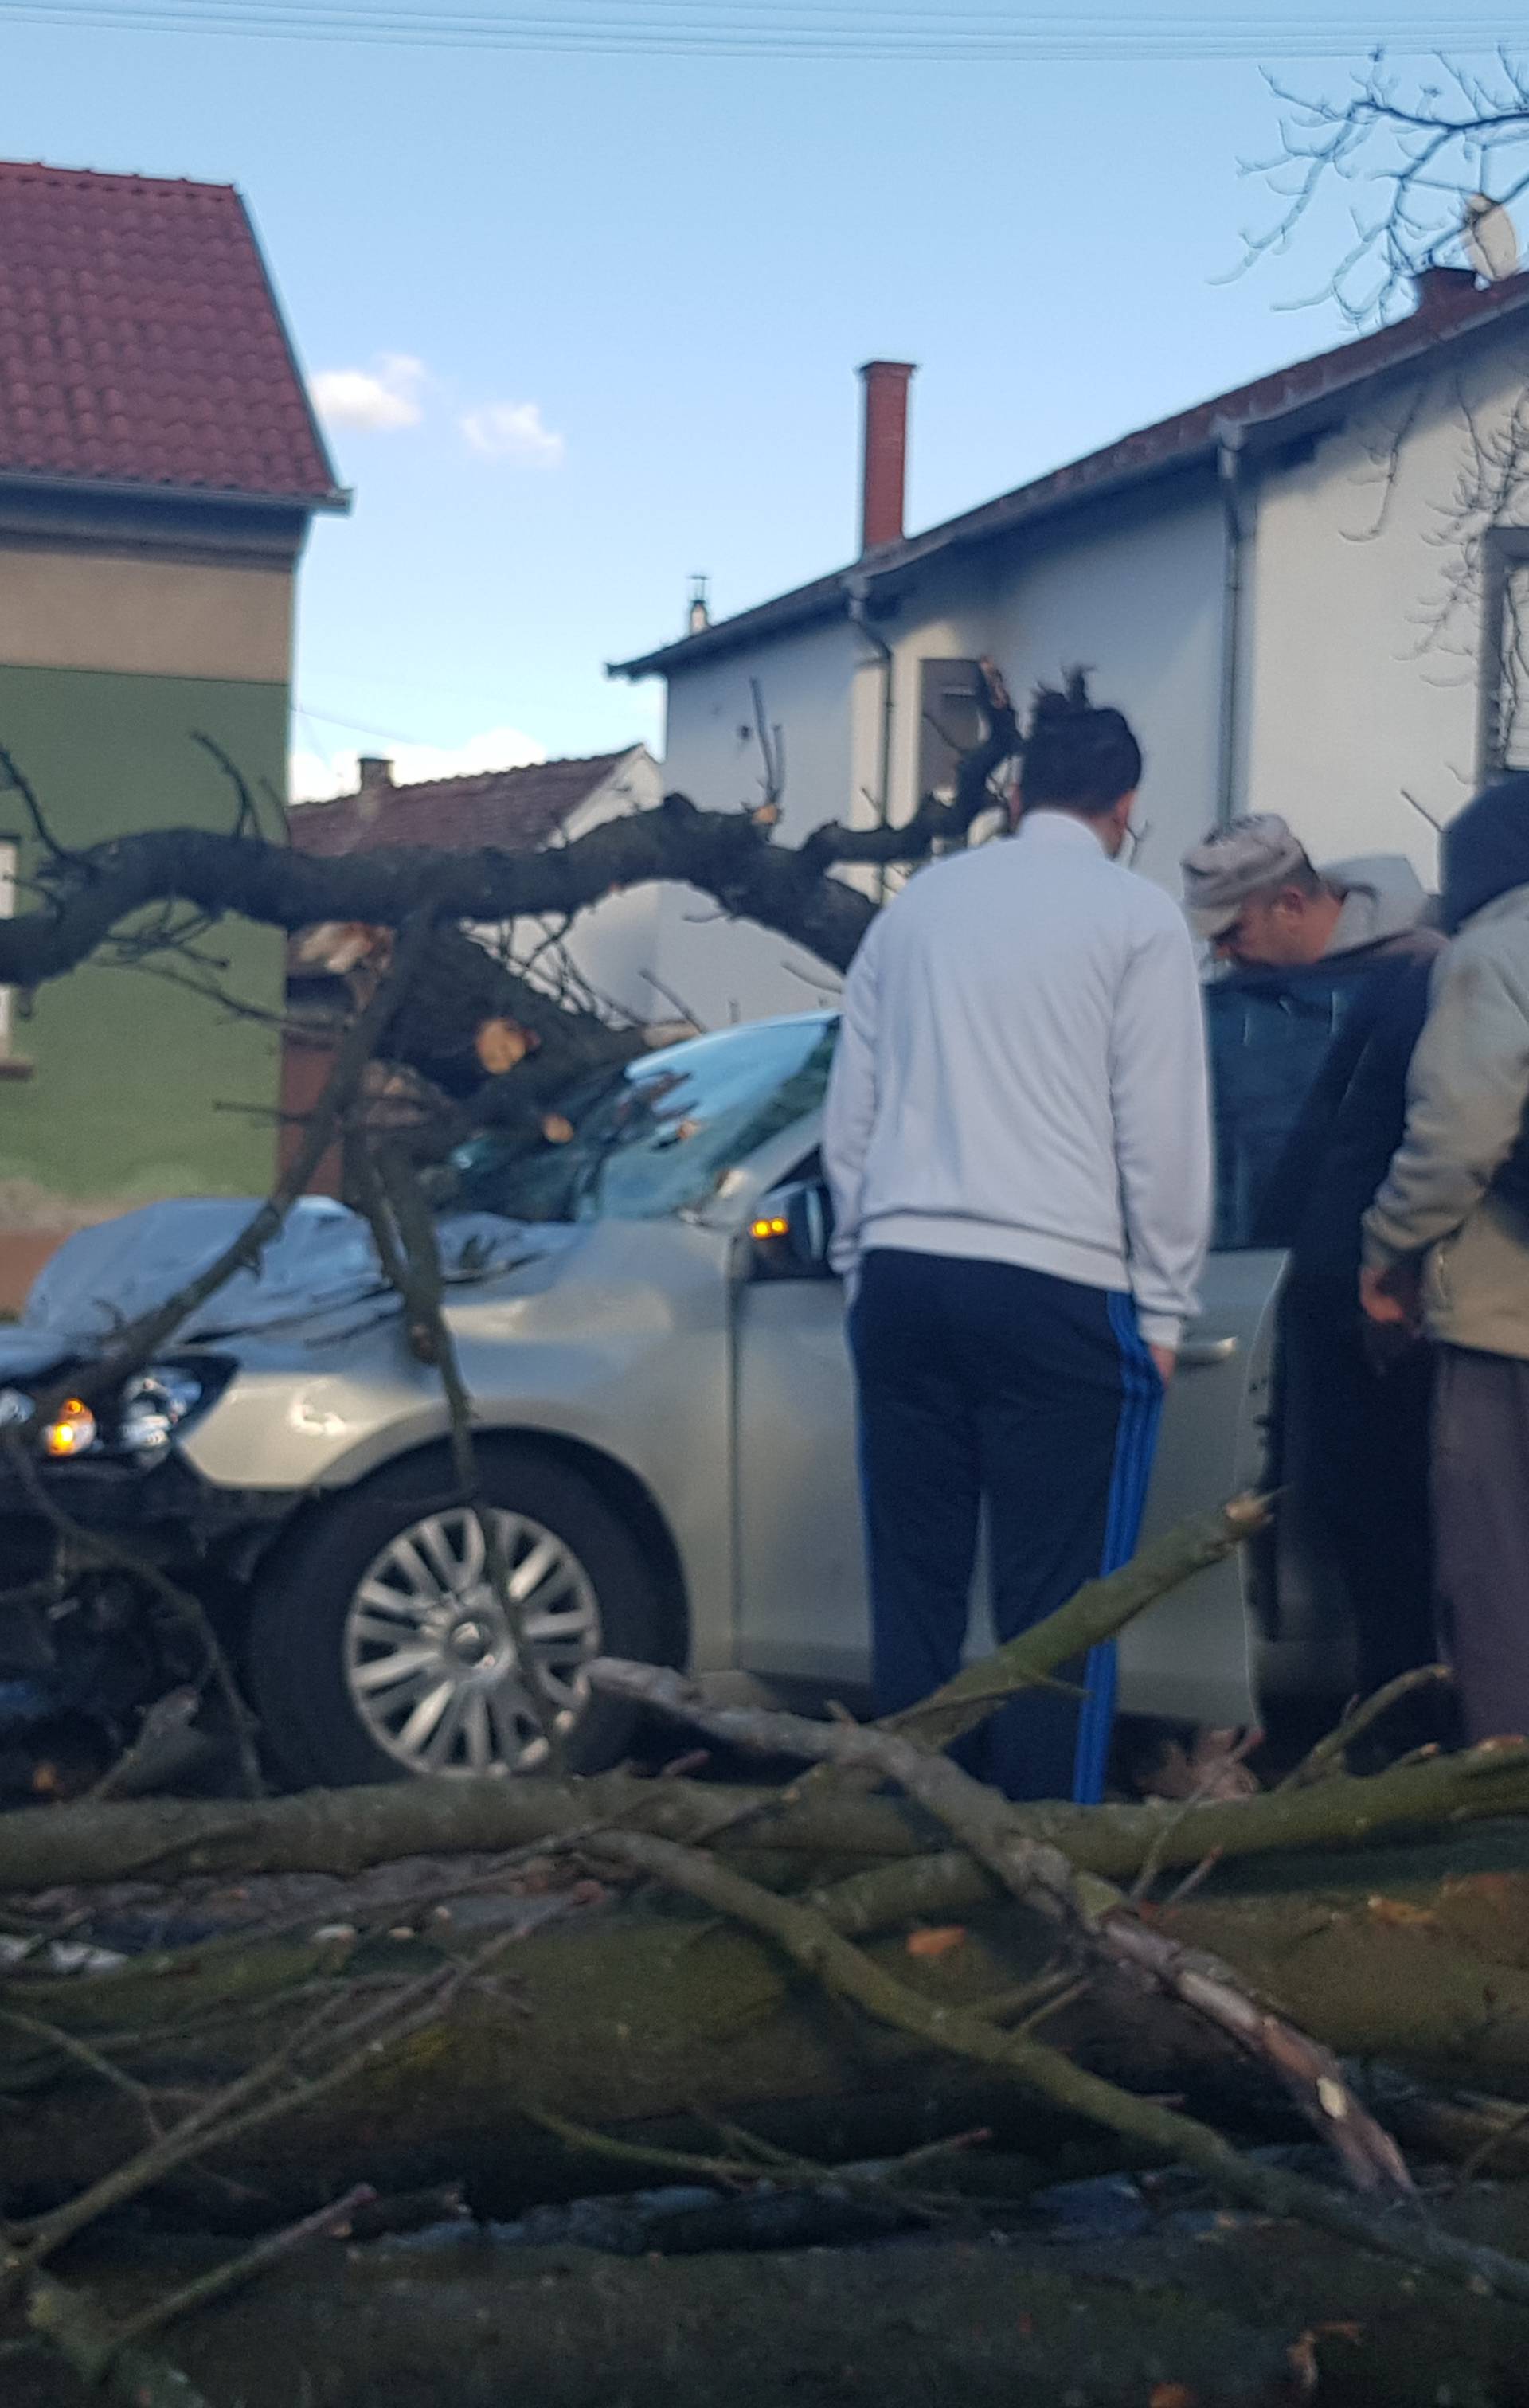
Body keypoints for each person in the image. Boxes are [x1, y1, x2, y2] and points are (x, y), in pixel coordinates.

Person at [823, 671, 1210, 1804]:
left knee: (917, 1588)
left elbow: (854, 1112)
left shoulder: (918, 910)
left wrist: (860, 1264)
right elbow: (1163, 1131)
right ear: (1125, 809)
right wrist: (1167, 1303)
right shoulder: (1137, 920)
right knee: (1062, 1608)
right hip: (1058, 1282)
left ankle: (902, 1843)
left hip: (903, 1270)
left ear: (1013, 796)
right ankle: (1045, 1865)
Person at [1180, 814, 1444, 1764]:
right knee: (1355, 1526)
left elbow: (1437, 1139)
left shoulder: (1419, 974)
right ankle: (1382, 1720)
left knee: (1398, 1531)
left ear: (1292, 903)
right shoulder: (1266, 999)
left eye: (1233, 933)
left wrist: (1392, 1263)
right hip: (1313, 1295)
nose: (1221, 957)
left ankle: (1408, 1729)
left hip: (1396, 1302)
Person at [1362, 772, 1529, 1748]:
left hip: (1507, 1326)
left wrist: (1386, 1251)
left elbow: (1455, 1142)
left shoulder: (1492, 953)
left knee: (1499, 1584)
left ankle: (1510, 1826)